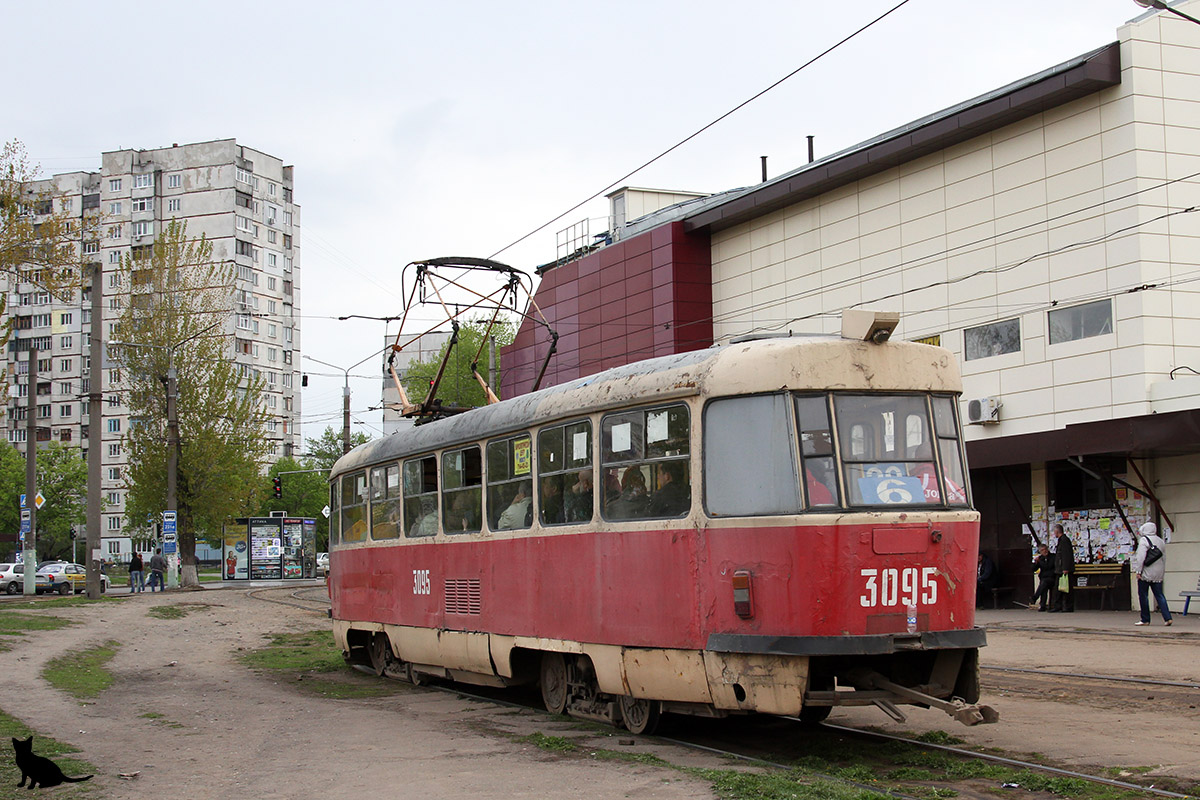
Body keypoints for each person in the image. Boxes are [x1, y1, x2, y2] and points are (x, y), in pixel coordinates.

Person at [1133, 521, 1173, 627]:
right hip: (1158, 573)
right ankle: (1167, 617)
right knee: (1160, 595)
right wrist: (1162, 572)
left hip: (1146, 572)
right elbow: (1164, 558)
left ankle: (1145, 619)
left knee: (1143, 595)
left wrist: (1138, 571)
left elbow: (1140, 557)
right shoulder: (1160, 541)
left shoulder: (1144, 540)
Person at [1050, 524, 1075, 613]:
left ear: (1057, 531)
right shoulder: (1062, 540)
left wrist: (1065, 568)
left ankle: (1065, 606)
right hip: (1061, 569)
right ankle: (1060, 606)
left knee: (1064, 589)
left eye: (1054, 531)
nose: (1054, 533)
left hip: (1063, 570)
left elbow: (1066, 555)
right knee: (1060, 589)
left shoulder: (1064, 541)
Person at [1030, 543, 1054, 611]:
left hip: (1052, 578)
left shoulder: (1052, 557)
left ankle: (1035, 597)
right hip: (1044, 579)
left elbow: (1048, 566)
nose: (1044, 551)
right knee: (1043, 585)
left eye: (1045, 549)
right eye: (1042, 550)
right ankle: (1042, 605)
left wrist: (1040, 562)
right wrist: (1035, 562)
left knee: (1044, 583)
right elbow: (1034, 569)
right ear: (1040, 552)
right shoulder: (1040, 558)